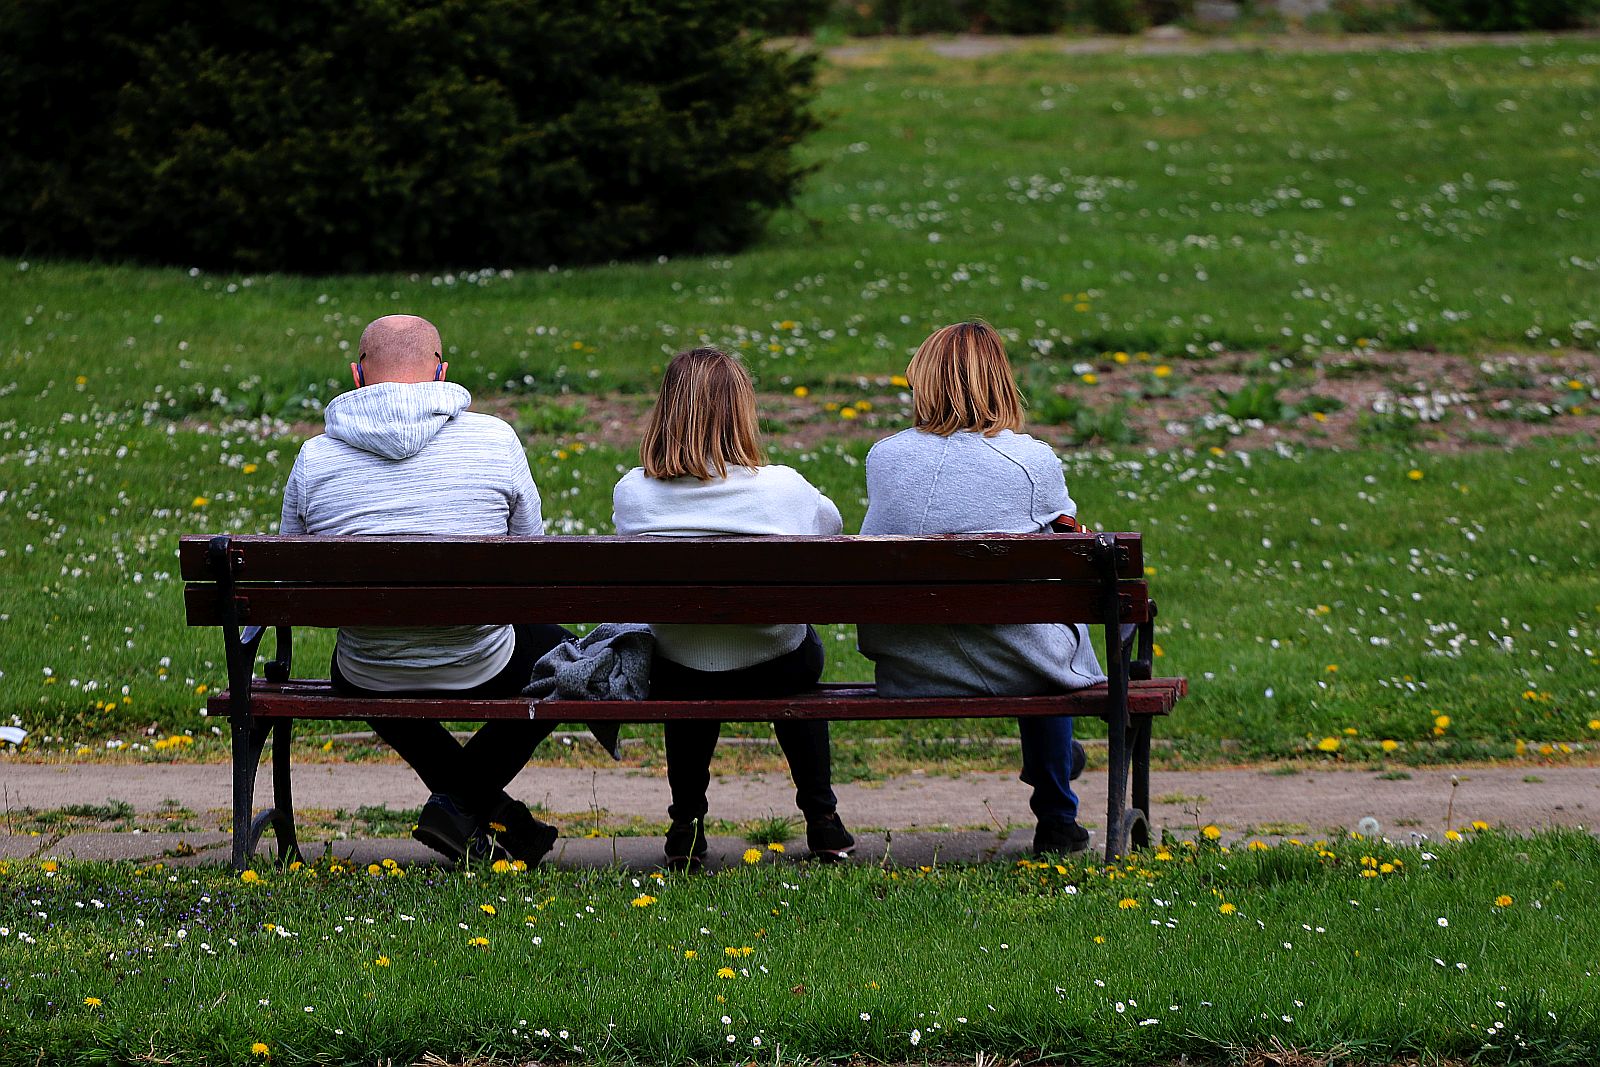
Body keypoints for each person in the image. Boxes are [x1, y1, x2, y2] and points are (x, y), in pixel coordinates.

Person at [279, 314, 566, 865]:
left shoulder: (316, 457)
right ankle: (468, 809)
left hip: (368, 668)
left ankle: (483, 814)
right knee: (566, 661)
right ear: (442, 373)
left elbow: (295, 575)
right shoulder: (495, 439)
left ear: (358, 377)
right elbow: (530, 556)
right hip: (480, 659)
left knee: (370, 658)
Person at [858, 320, 1100, 856]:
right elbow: (1069, 550)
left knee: (1030, 622)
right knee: (1047, 634)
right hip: (1019, 662)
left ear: (923, 381)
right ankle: (1057, 813)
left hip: (909, 662)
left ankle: (1053, 768)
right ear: (1000, 381)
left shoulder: (885, 458)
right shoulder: (1030, 460)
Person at [612, 347, 854, 868]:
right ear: (742, 411)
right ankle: (822, 818)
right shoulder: (785, 488)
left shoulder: (633, 492)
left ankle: (686, 823)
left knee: (687, 655)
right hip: (777, 665)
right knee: (799, 652)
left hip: (677, 668)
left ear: (666, 411)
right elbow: (831, 530)